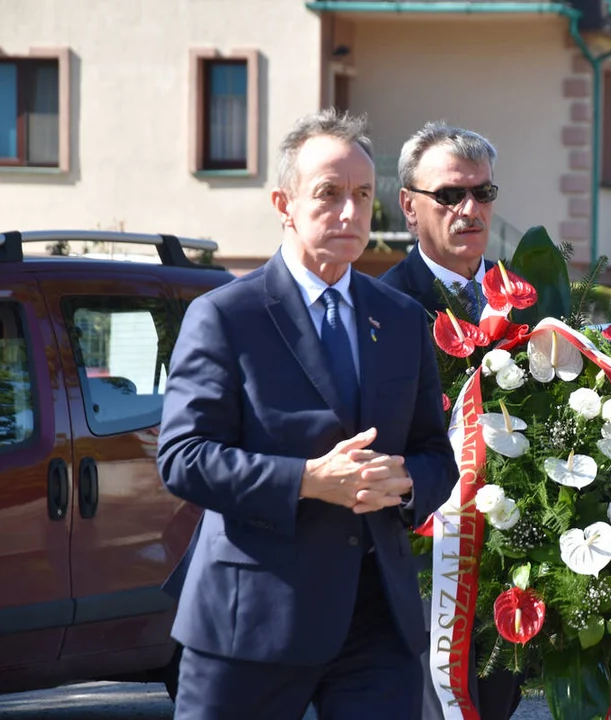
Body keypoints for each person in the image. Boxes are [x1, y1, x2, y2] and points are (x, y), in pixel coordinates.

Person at [157, 109, 457, 720]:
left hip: (377, 623)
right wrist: (308, 480)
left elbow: (434, 454)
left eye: (363, 195)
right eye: (329, 194)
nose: (350, 213)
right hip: (252, 621)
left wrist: (403, 487)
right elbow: (184, 458)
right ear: (284, 202)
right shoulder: (224, 316)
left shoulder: (400, 320)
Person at [379, 121, 523, 720]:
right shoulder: (383, 307)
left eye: (482, 194)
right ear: (410, 208)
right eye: (449, 196)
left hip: (514, 563)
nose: (470, 209)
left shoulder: (526, 298)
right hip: (424, 568)